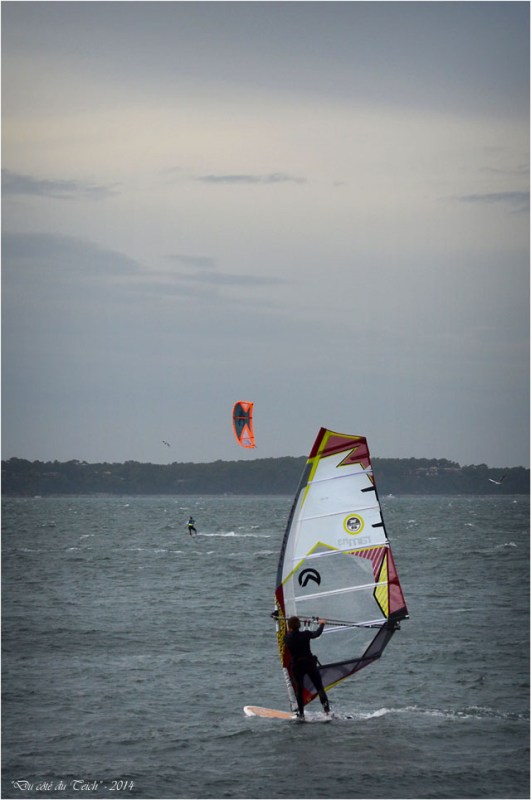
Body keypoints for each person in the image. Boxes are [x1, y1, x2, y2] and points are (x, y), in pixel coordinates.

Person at [283, 616, 330, 719]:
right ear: (299, 626)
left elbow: (290, 633)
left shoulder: (286, 638)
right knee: (319, 687)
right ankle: (327, 712)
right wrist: (322, 624)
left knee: (299, 690)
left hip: (297, 666)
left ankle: (301, 714)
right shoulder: (306, 634)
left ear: (289, 627)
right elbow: (317, 633)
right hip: (309, 663)